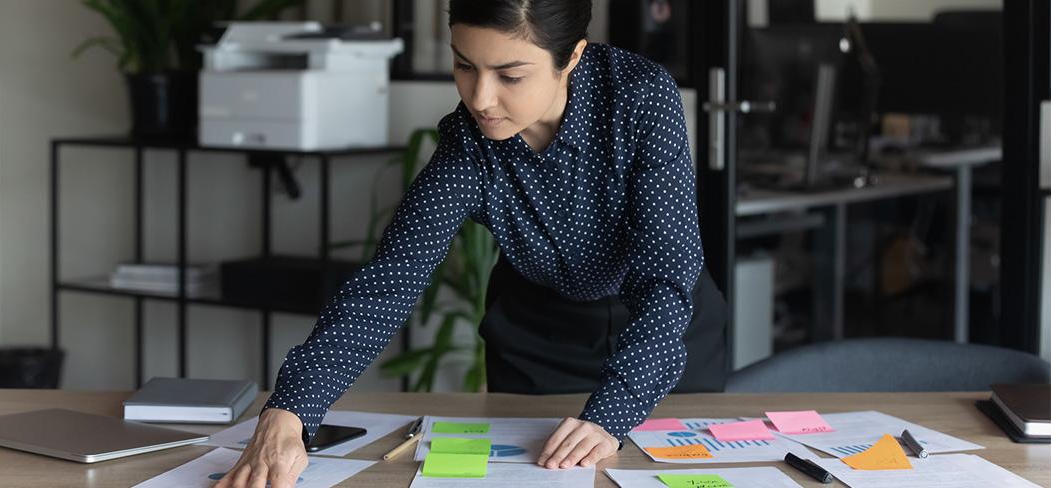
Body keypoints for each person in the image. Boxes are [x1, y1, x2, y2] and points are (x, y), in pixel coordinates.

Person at [218, 1, 726, 486]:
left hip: (662, 327)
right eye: (465, 66)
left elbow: (666, 277)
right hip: (538, 336)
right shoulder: (469, 144)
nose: (480, 99)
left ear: (572, 56)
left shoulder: (639, 97)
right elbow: (389, 282)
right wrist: (289, 411)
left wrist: (611, 414)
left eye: (510, 76)